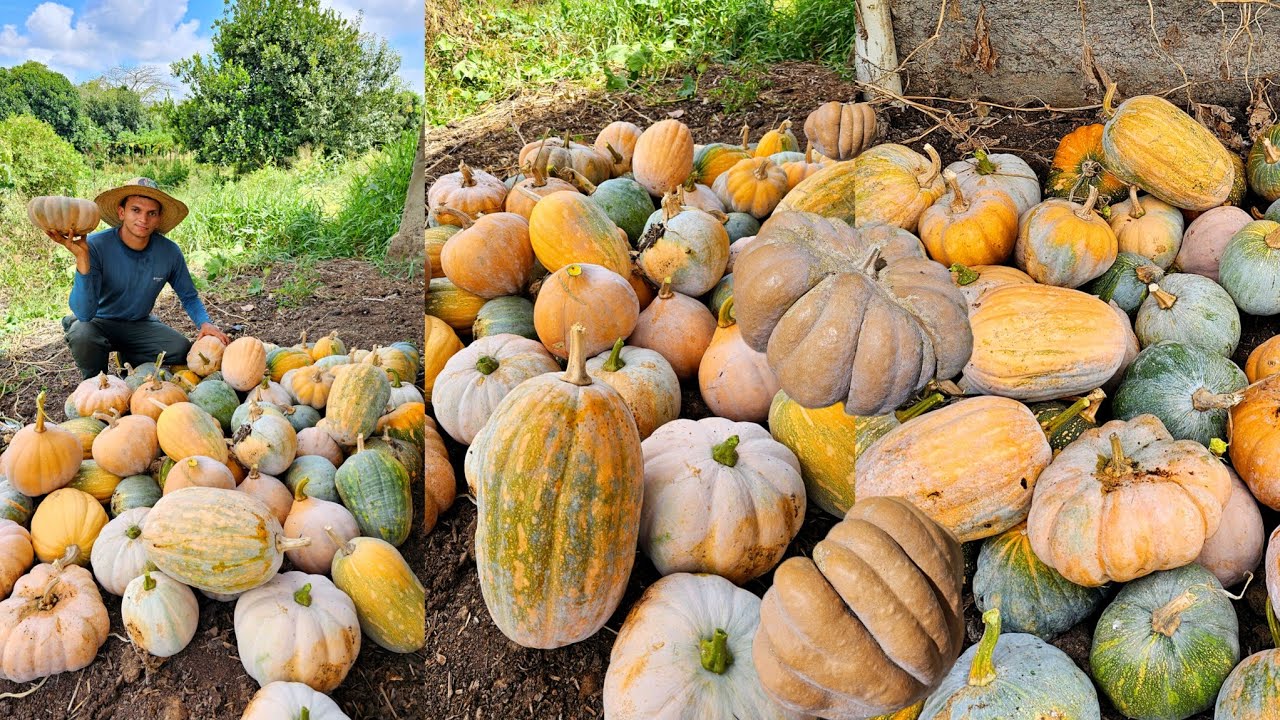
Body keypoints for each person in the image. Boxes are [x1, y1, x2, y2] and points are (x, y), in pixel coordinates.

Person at [45, 177, 230, 379]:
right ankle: (95, 381)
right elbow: (84, 312)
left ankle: (129, 358)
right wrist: (82, 257)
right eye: (136, 210)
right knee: (81, 333)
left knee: (180, 348)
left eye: (151, 213)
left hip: (137, 324)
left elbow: (189, 296)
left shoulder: (169, 252)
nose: (143, 219)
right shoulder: (96, 246)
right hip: (97, 322)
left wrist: (205, 323)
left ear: (159, 218)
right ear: (121, 212)